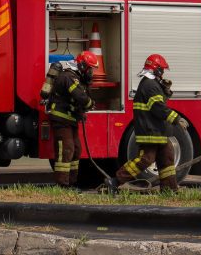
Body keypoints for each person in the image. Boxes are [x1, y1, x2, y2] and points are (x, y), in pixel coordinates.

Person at [114, 53, 188, 192]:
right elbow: (158, 107)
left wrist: (165, 91)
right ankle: (116, 180)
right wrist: (177, 119)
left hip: (157, 131)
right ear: (157, 69)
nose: (163, 73)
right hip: (150, 131)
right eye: (162, 70)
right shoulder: (150, 85)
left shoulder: (152, 84)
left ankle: (169, 189)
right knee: (145, 159)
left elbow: (158, 102)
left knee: (167, 157)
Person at [48, 50, 98, 187]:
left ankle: (72, 182)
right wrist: (90, 104)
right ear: (82, 66)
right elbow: (79, 96)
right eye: (90, 69)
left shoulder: (77, 77)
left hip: (70, 119)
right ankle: (62, 185)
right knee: (66, 150)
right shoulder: (69, 77)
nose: (91, 72)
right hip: (61, 119)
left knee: (76, 149)